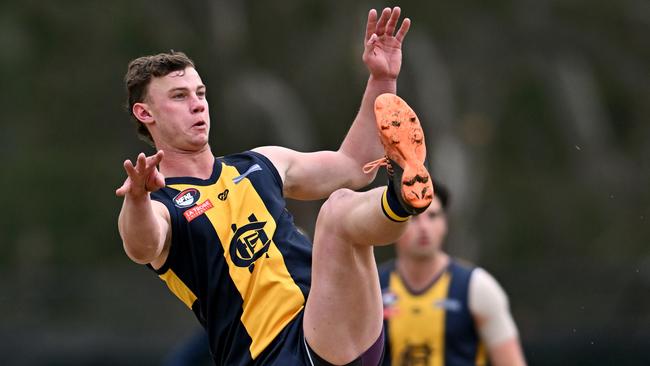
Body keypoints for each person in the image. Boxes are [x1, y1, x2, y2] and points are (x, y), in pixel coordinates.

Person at [116, 7, 434, 366]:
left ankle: (403, 200)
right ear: (146, 113)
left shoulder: (258, 164)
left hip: (330, 330)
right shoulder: (163, 204)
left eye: (201, 93)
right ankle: (399, 201)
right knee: (336, 212)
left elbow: (353, 166)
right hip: (272, 357)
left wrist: (381, 79)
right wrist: (138, 199)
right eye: (179, 96)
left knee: (341, 204)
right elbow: (142, 245)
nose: (197, 105)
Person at [379, 182, 527, 366]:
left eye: (433, 216)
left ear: (445, 224)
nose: (424, 227)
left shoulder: (477, 287)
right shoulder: (373, 289)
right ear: (394, 223)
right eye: (414, 217)